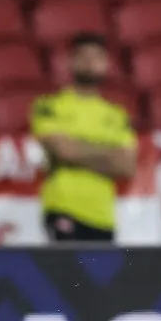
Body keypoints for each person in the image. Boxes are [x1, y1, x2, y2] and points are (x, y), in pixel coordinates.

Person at [31, 33, 138, 243]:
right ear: (71, 61)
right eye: (83, 56)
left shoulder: (117, 116)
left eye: (97, 57)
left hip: (103, 216)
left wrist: (78, 150)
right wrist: (108, 153)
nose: (90, 62)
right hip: (63, 207)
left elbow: (126, 166)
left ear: (106, 63)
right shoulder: (49, 106)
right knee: (67, 275)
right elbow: (62, 150)